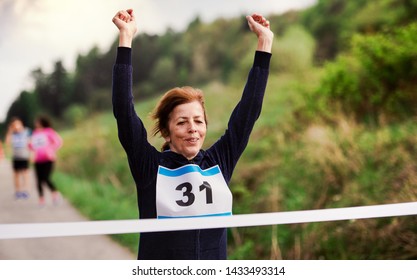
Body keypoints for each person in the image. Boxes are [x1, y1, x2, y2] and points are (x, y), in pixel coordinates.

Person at [112, 9, 273, 260]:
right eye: (182, 122)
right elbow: (123, 111)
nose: (193, 129)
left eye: (198, 121)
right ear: (166, 132)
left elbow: (248, 112)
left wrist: (265, 43)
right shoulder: (149, 167)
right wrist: (126, 37)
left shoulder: (219, 162)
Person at [29, 115, 63, 206]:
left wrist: (50, 150)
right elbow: (32, 146)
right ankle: (41, 199)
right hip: (37, 160)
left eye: (37, 121)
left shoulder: (49, 132)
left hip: (48, 159)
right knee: (39, 180)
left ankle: (55, 193)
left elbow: (58, 142)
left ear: (42, 122)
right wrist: (29, 146)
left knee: (46, 178)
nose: (35, 123)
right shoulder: (35, 133)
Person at [5, 117, 31, 199]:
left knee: (25, 173)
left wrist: (31, 154)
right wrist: (10, 131)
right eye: (14, 124)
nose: (16, 126)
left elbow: (31, 143)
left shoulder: (27, 131)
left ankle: (25, 190)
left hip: (24, 156)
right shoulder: (12, 133)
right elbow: (7, 143)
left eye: (17, 124)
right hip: (16, 157)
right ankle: (18, 191)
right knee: (16, 175)